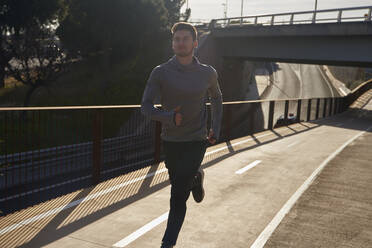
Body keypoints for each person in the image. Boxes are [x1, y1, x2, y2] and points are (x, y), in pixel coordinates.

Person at [140, 22, 223, 248]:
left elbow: (216, 98)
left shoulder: (207, 72)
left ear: (195, 44)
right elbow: (145, 106)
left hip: (197, 140)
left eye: (185, 39)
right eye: (177, 39)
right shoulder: (161, 72)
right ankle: (196, 176)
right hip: (171, 140)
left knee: (178, 195)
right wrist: (168, 117)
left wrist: (216, 125)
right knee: (179, 182)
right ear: (172, 43)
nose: (181, 42)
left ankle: (168, 243)